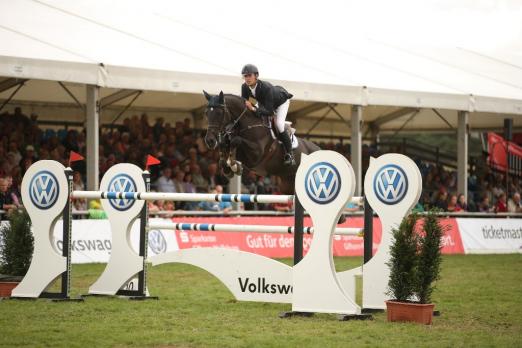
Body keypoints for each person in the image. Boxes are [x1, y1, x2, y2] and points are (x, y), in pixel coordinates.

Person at [240, 64, 295, 166]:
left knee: (279, 124)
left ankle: (290, 154)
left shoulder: (266, 87)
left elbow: (269, 112)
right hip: (264, 101)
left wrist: (253, 108)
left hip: (280, 102)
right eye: (245, 76)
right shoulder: (244, 87)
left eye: (249, 75)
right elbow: (244, 105)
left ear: (256, 76)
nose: (247, 78)